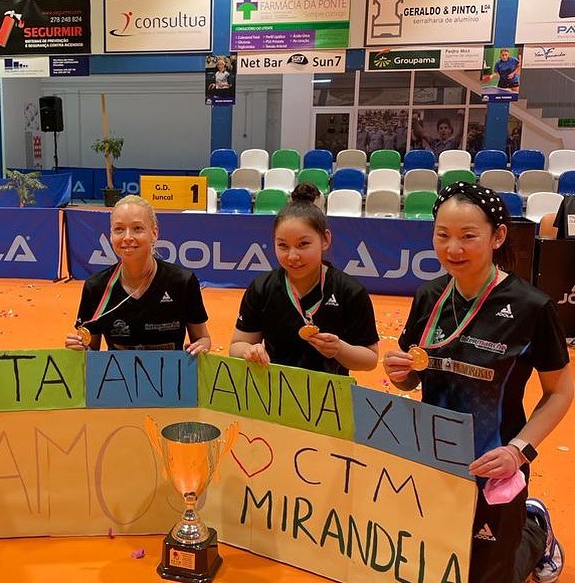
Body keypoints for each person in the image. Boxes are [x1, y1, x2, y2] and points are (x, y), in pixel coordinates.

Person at [383, 182, 572, 583]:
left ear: (497, 236)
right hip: (434, 457)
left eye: (468, 236)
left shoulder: (531, 307)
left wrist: (518, 451)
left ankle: (535, 530)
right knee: (437, 559)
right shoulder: (429, 296)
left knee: (490, 573)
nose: (453, 248)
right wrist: (402, 374)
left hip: (495, 463)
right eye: (443, 235)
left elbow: (560, 391)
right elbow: (413, 376)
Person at [229, 186, 379, 374]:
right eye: (283, 245)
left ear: (325, 240)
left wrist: (340, 349)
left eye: (303, 244)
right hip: (274, 387)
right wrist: (249, 351)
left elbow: (370, 360)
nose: (292, 256)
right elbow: (237, 345)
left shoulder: (350, 291)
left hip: (330, 390)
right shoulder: (261, 288)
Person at [66, 195, 211, 354]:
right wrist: (80, 348)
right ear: (111, 235)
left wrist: (201, 346)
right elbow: (91, 348)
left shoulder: (183, 282)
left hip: (169, 371)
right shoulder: (96, 287)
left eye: (137, 228)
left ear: (154, 233)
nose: (127, 237)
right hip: (118, 371)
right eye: (119, 229)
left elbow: (202, 338)